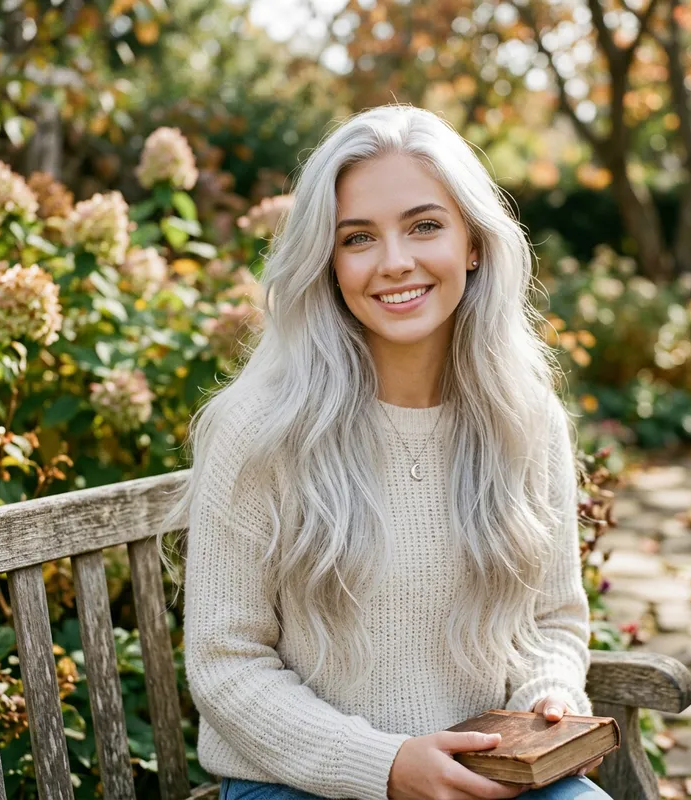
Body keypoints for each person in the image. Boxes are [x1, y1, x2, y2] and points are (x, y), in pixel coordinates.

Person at [158, 104, 611, 800]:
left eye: (425, 225)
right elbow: (226, 663)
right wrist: (386, 766)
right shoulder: (258, 428)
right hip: (300, 783)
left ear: (474, 243)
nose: (395, 262)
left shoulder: (526, 419)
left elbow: (552, 619)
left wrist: (549, 700)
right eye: (358, 238)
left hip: (489, 776)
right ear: (328, 261)